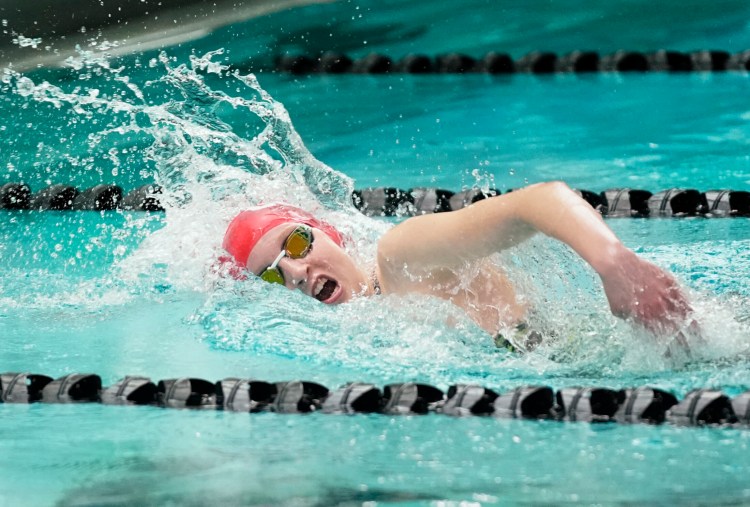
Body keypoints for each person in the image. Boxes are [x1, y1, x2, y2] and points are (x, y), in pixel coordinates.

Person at [222, 181, 695, 350]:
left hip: (640, 339)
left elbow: (540, 200)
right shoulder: (369, 318)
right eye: (273, 273)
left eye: (298, 243)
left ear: (329, 231)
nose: (296, 273)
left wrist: (616, 265)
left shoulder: (400, 257)